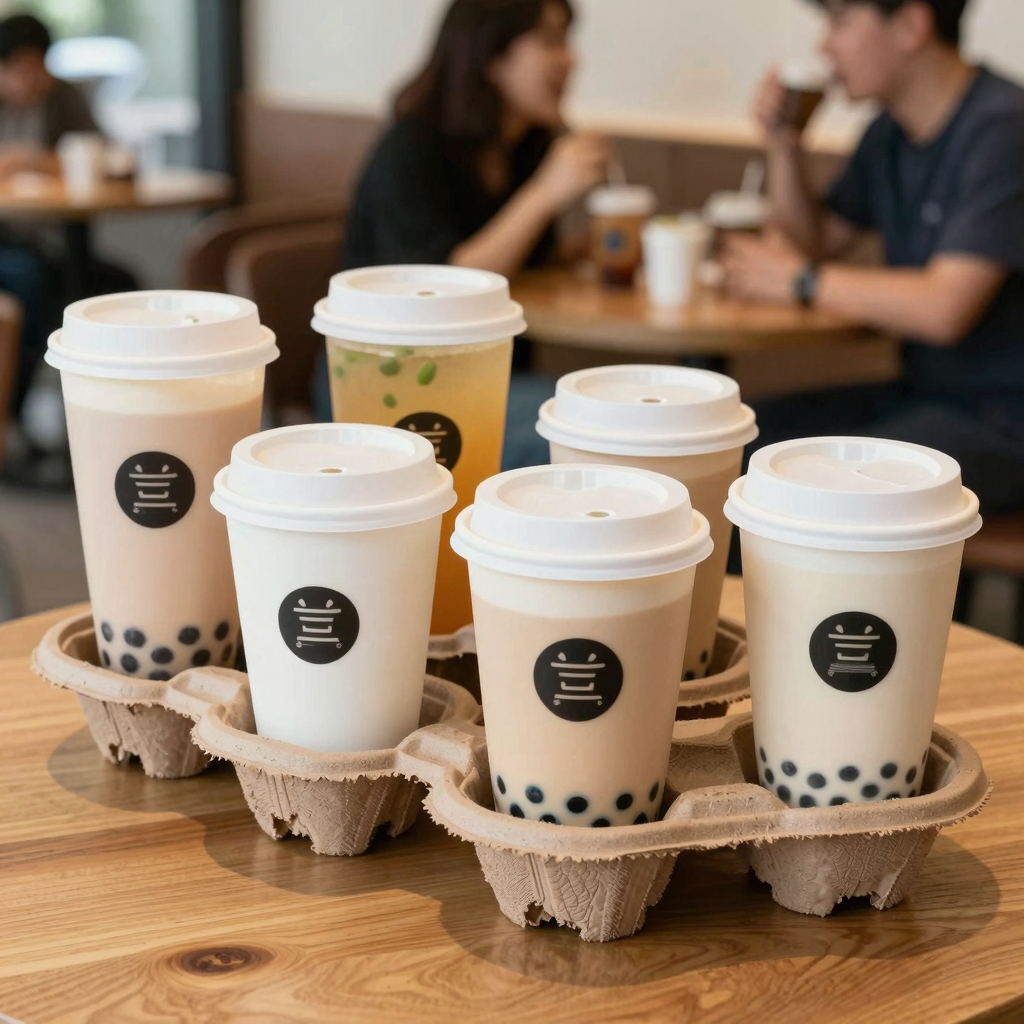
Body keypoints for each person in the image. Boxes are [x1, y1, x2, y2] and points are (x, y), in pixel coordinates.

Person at [722, 0, 1024, 515]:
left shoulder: (1004, 128)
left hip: (1004, 420)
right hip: (923, 395)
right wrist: (784, 145)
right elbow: (808, 245)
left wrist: (802, 283)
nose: (824, 45)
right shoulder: (887, 134)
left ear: (911, 24)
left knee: (805, 490)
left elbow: (944, 308)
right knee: (737, 446)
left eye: (840, 21)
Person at [343, 0, 610, 279]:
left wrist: (576, 252)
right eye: (551, 40)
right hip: (395, 319)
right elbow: (443, 285)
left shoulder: (529, 143)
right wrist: (545, 193)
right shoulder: (409, 148)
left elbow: (519, 264)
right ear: (492, 56)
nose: (571, 59)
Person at [0, 13, 134, 483]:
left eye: (37, 66)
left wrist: (38, 159)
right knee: (32, 285)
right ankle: (9, 421)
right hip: (9, 244)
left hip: (52, 241)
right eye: (16, 68)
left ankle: (110, 428)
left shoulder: (64, 97)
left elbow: (103, 152)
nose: (29, 79)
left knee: (116, 287)